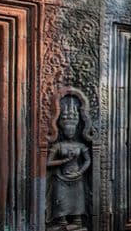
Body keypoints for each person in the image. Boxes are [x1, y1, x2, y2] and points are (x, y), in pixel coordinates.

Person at [47, 96, 91, 229]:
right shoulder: (58, 145)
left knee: (77, 202)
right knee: (61, 201)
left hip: (77, 177)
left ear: (76, 129)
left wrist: (80, 171)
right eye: (67, 129)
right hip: (61, 178)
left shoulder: (80, 145)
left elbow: (88, 160)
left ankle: (77, 221)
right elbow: (47, 163)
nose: (70, 131)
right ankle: (62, 221)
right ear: (62, 129)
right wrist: (63, 161)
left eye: (72, 129)